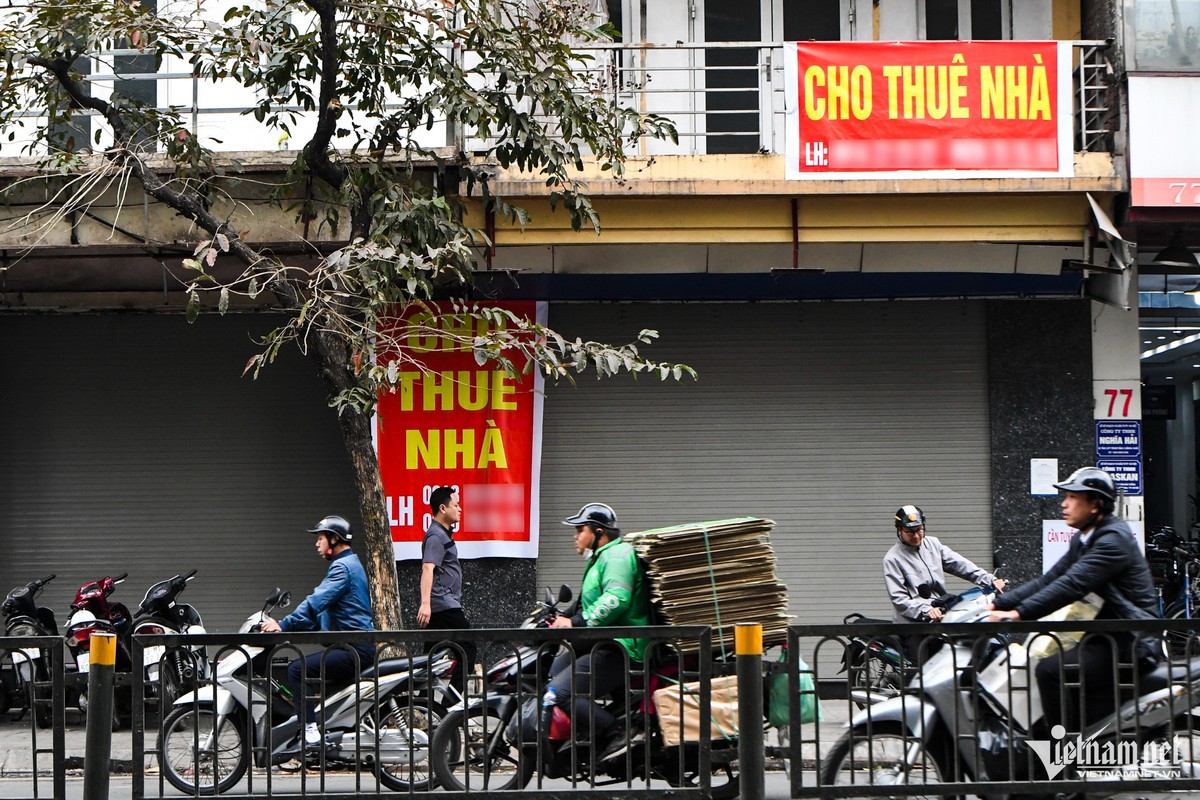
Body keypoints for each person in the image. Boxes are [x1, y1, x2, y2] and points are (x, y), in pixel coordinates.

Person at [987, 467, 1159, 735]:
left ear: (1096, 504)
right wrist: (998, 605)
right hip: (1103, 634)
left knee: (1049, 671)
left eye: (1072, 497)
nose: (1064, 503)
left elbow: (1072, 584)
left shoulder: (1113, 540)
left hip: (1129, 639)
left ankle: (1064, 756)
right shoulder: (1084, 538)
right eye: (1064, 496)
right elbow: (1050, 579)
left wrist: (1019, 614)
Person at [260, 515, 377, 751]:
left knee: (297, 670)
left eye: (320, 538)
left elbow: (316, 602)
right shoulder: (348, 565)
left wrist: (284, 625)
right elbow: (323, 618)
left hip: (353, 648)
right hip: (352, 645)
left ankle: (310, 733)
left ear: (334, 539)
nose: (317, 543)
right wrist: (287, 624)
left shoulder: (342, 568)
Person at [548, 502, 650, 761]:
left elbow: (616, 597)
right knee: (553, 673)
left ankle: (616, 733)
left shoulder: (617, 557)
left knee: (560, 693)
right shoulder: (601, 557)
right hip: (600, 642)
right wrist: (564, 617)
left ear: (598, 532)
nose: (575, 536)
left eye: (580, 529)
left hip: (620, 646)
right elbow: (587, 602)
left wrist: (576, 623)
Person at [884, 504, 1006, 624]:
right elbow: (899, 599)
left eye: (919, 529)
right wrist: (926, 610)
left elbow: (959, 564)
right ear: (899, 530)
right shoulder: (893, 559)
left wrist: (990, 579)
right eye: (910, 532)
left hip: (941, 613)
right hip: (913, 623)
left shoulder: (933, 544)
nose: (916, 536)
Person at [417, 486, 474, 693]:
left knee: (428, 659)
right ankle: (453, 701)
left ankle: (424, 704)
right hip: (443, 605)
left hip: (441, 605)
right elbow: (427, 568)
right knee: (468, 648)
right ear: (443, 508)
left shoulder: (441, 534)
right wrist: (425, 604)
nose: (460, 509)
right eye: (456, 505)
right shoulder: (435, 536)